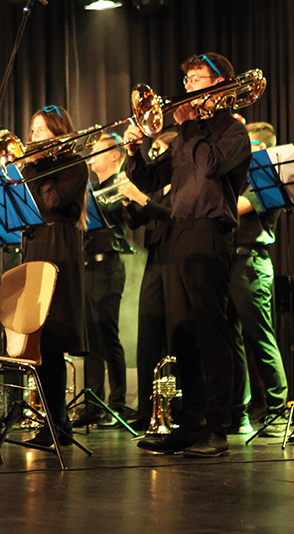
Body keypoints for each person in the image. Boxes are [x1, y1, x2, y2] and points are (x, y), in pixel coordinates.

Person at [124, 53, 251, 458]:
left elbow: (211, 165)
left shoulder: (233, 130)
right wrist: (133, 152)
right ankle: (189, 423)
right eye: (190, 78)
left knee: (212, 331)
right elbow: (151, 178)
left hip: (211, 233)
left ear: (221, 84)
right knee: (181, 333)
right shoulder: (184, 136)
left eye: (199, 78)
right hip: (179, 234)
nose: (190, 84)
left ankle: (218, 427)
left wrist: (190, 125)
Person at [21, 105, 90, 445]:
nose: (33, 138)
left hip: (58, 247)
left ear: (58, 133)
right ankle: (55, 422)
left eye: (41, 131)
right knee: (38, 340)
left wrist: (38, 167)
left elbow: (52, 201)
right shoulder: (31, 168)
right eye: (32, 131)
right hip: (34, 245)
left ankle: (58, 421)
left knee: (53, 340)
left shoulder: (73, 164)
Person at [230, 122, 289, 436]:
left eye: (246, 145)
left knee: (260, 338)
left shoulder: (266, 175)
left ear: (262, 149)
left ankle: (278, 412)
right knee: (232, 339)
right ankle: (237, 411)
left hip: (252, 261)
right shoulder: (238, 175)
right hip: (230, 259)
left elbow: (238, 207)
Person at [74, 134, 132, 427]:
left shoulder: (122, 185)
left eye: (97, 152)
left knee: (108, 336)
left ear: (115, 155)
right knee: (91, 340)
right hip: (87, 267)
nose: (91, 157)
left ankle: (117, 403)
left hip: (108, 267)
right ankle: (93, 403)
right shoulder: (94, 188)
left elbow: (111, 212)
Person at [121, 132, 175, 432]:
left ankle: (175, 407)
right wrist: (129, 202)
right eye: (154, 151)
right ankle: (147, 408)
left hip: (175, 255)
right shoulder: (155, 188)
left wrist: (141, 197)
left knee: (175, 332)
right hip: (155, 258)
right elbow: (136, 220)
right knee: (148, 330)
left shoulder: (180, 184)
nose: (155, 157)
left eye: (161, 152)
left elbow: (173, 216)